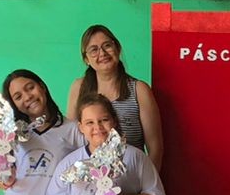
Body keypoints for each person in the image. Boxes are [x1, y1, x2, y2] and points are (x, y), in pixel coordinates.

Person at [68, 24, 163, 168]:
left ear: (117, 49)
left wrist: (148, 183)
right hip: (90, 179)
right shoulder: (78, 88)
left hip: (131, 176)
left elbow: (155, 148)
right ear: (86, 59)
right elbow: (71, 139)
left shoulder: (139, 90)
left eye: (107, 45)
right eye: (94, 50)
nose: (102, 53)